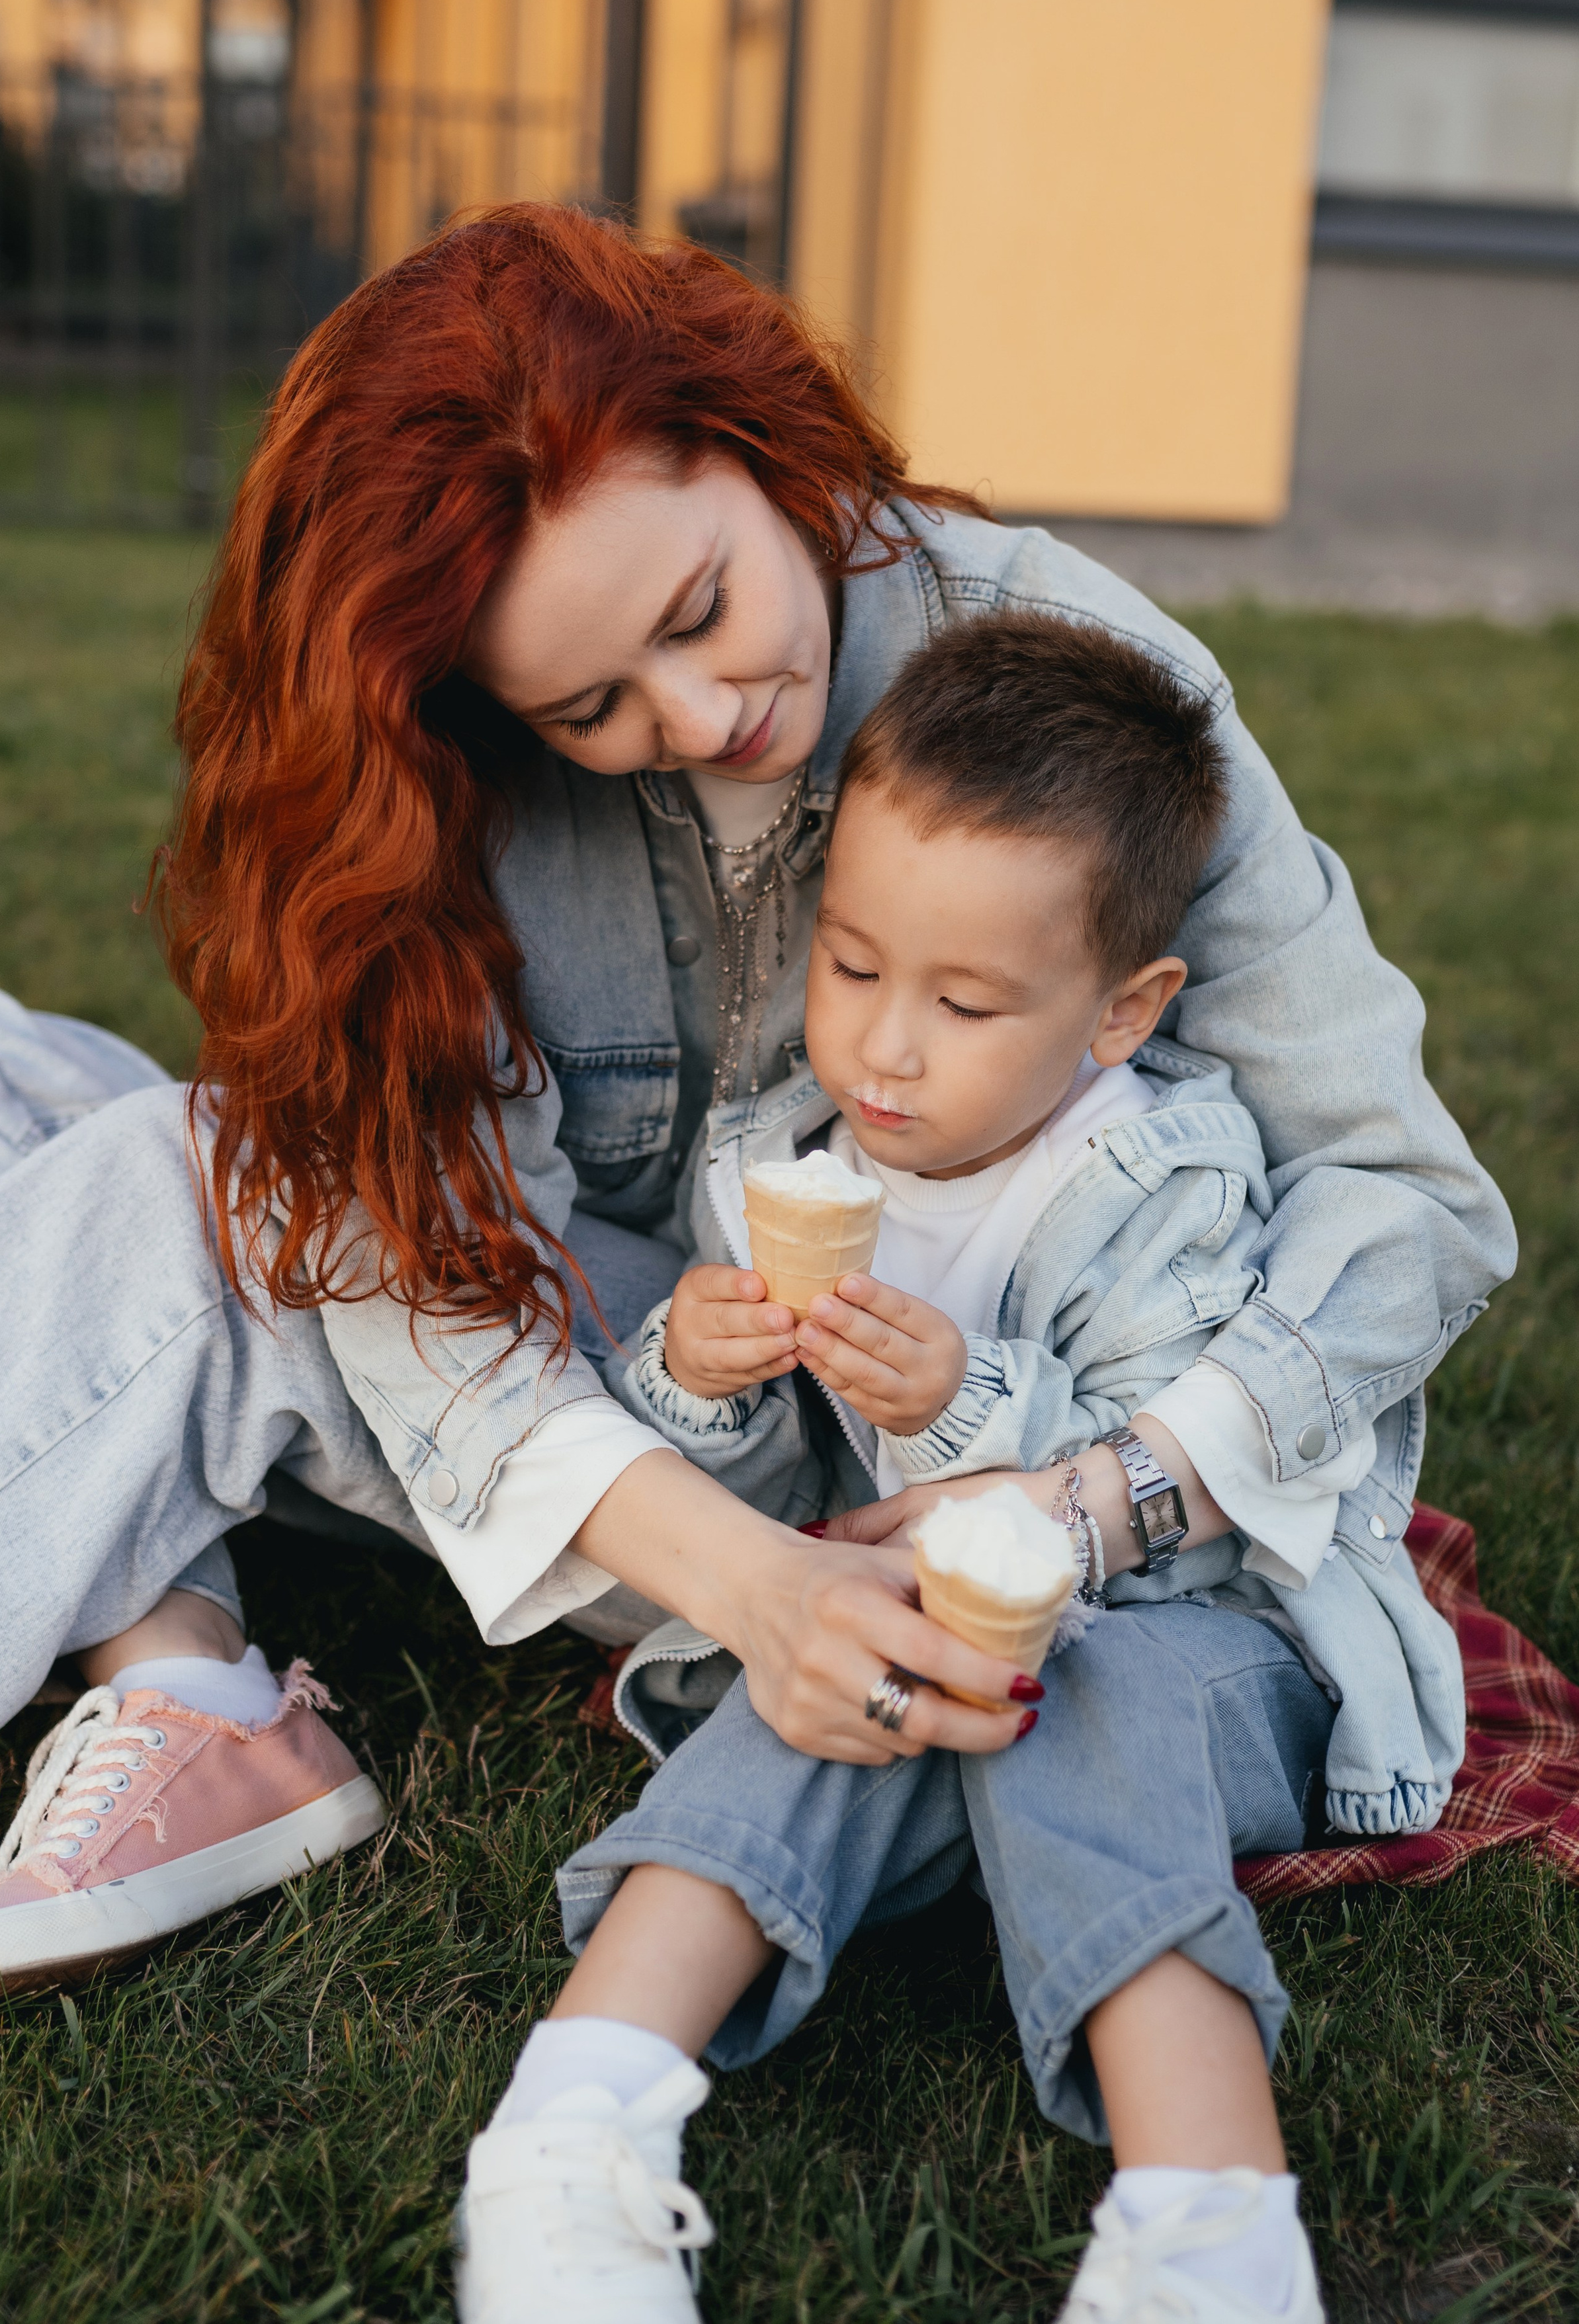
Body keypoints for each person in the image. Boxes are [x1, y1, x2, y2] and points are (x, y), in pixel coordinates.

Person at [0, 206, 1510, 2024]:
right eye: (591, 705)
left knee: (175, 1180)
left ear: (751, 434)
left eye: (700, 612)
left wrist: (1095, 1500)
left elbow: (1406, 1193)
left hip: (919, 1452)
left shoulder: (1065, 682)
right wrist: (748, 1590)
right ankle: (179, 1669)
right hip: (650, 1426)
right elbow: (429, 1284)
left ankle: (142, 1634)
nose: (706, 712)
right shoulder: (450, 777)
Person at [452, 613, 1467, 2324]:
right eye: (853, 970)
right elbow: (766, 1501)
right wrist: (696, 1382)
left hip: (1208, 1648)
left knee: (1093, 1696)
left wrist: (966, 1399)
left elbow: (1182, 1517)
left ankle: (1210, 2230)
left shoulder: (1157, 1180)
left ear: (1121, 1014)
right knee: (823, 1673)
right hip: (929, 1629)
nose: (887, 1051)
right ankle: (570, 2129)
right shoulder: (784, 1165)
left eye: (967, 1002)